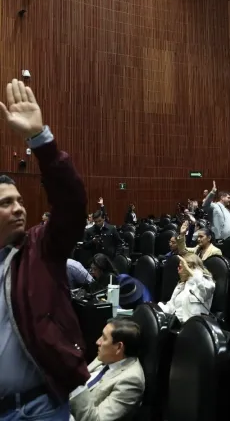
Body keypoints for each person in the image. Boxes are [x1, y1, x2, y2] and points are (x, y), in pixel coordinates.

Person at [0, 79, 89, 418]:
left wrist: (41, 142)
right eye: (6, 203)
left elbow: (71, 203)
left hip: (41, 406)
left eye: (20, 200)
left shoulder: (40, 250)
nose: (19, 208)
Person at [69, 319, 145, 421]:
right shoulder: (109, 356)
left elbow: (96, 419)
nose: (98, 342)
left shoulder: (131, 381)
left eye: (104, 338)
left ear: (118, 347)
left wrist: (77, 380)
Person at [158, 254, 215, 323]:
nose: (177, 270)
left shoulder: (207, 283)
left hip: (194, 326)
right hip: (177, 325)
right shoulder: (181, 285)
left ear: (190, 267)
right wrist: (157, 308)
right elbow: (170, 307)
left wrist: (189, 270)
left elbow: (203, 287)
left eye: (180, 267)